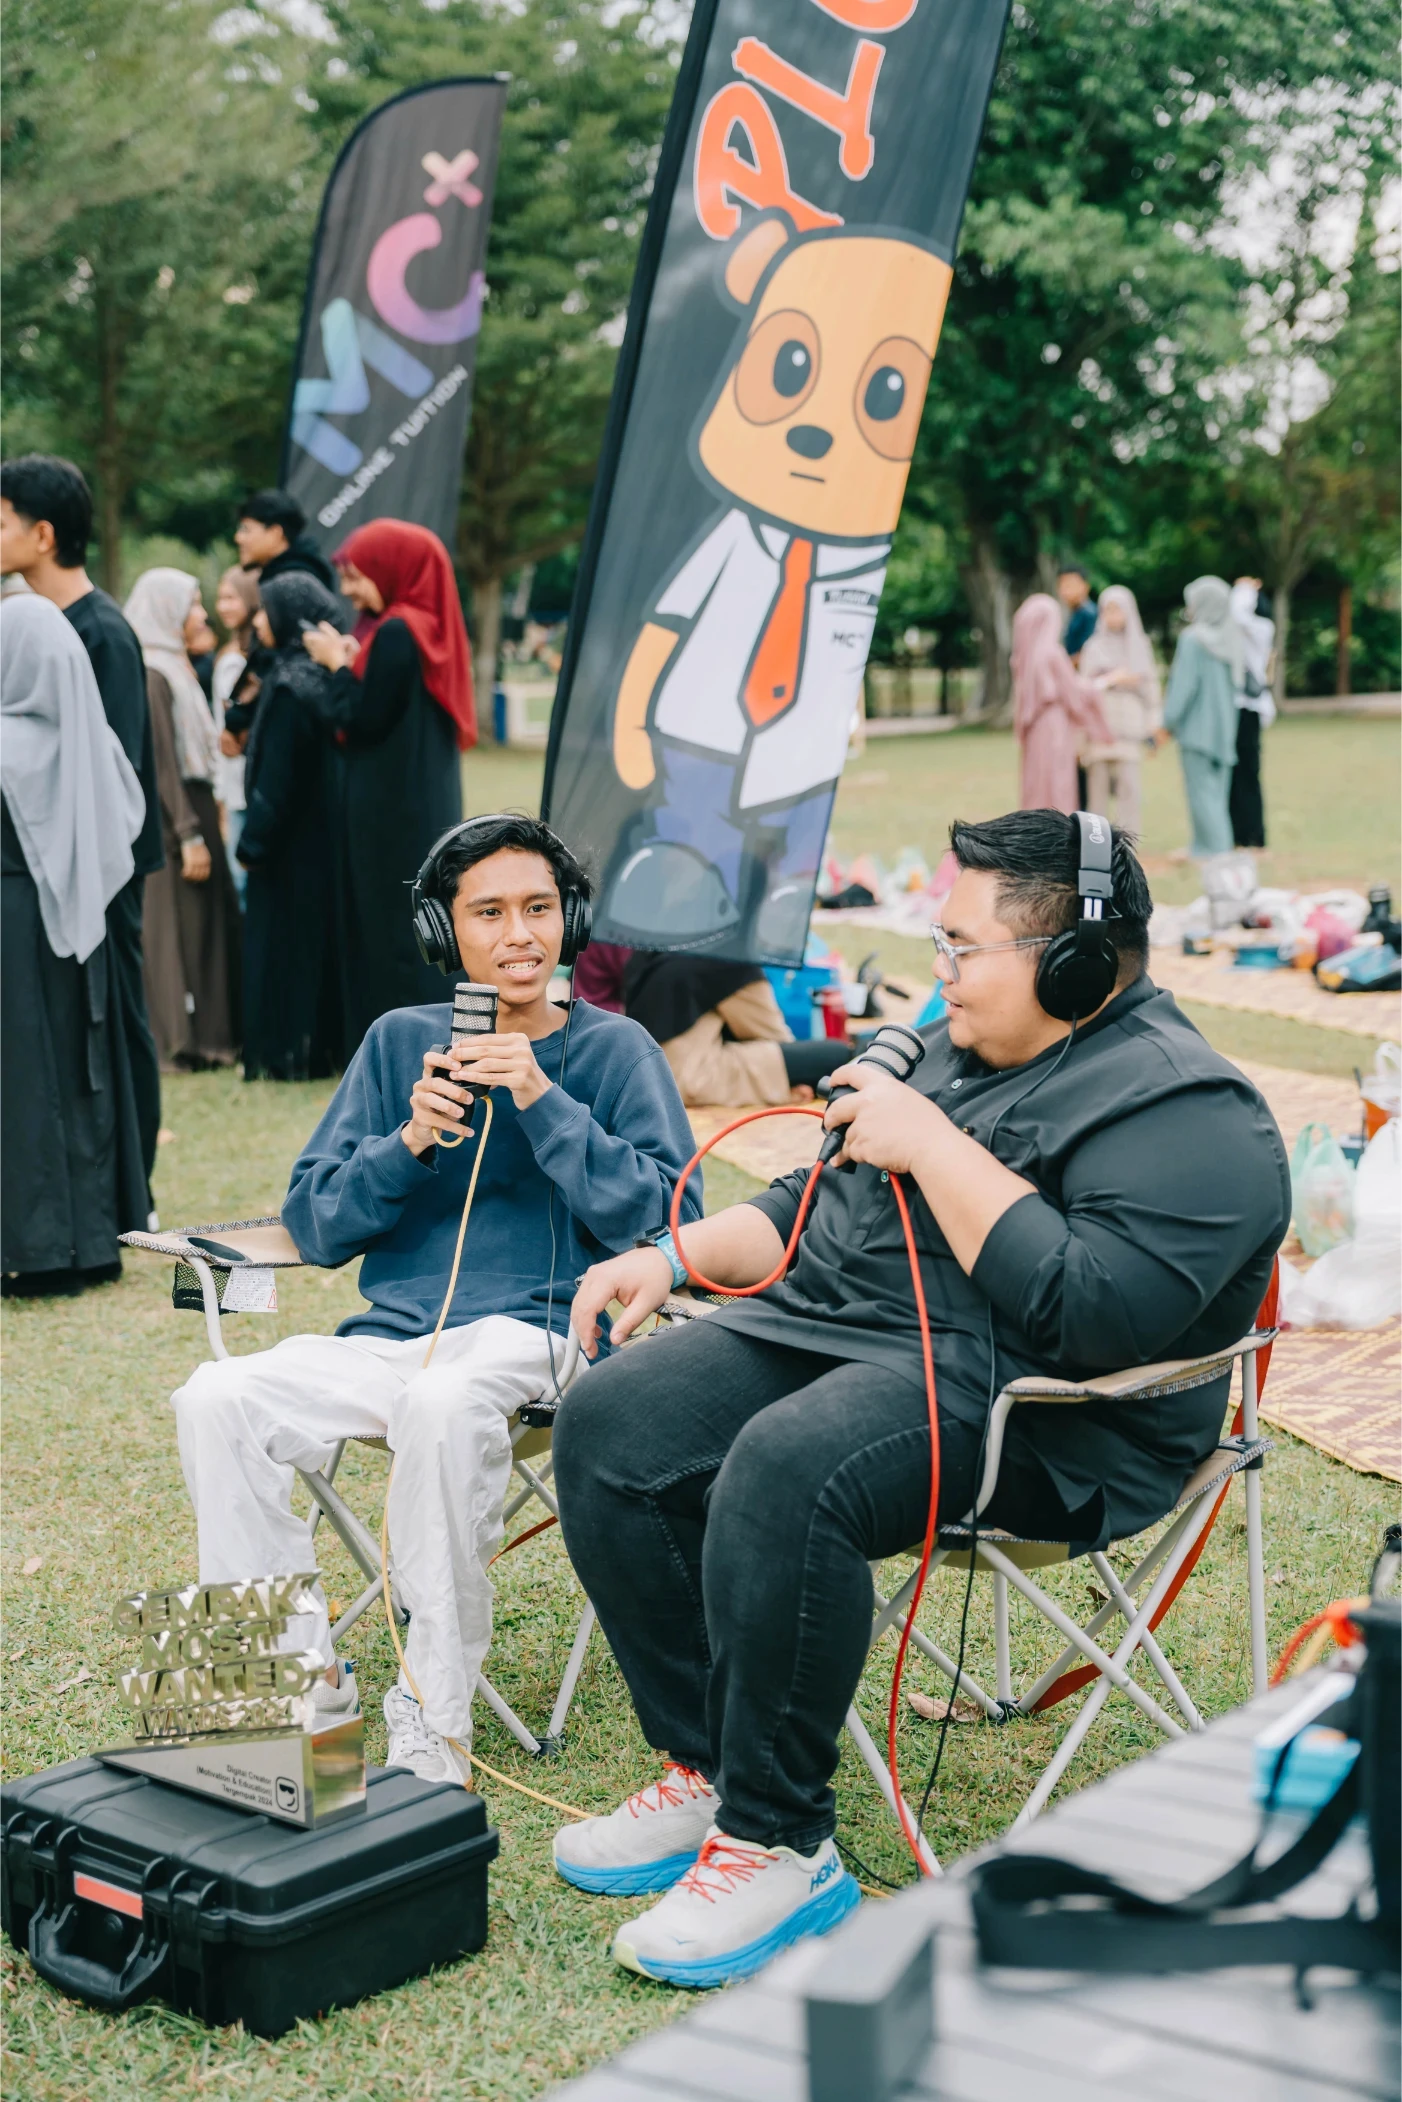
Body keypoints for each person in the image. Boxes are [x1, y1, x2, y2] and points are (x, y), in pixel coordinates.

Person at [550, 809, 1290, 1988]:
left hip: (1049, 1416)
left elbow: (1089, 1318)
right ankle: (710, 1766)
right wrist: (675, 1254)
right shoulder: (950, 1046)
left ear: (1072, 963)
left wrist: (934, 1144)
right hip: (850, 1336)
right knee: (612, 1422)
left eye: (961, 948)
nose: (936, 972)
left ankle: (778, 1842)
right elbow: (812, 1202)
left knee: (789, 1463)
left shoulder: (1192, 1111)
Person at [171, 814, 700, 1783]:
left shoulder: (617, 1051)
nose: (519, 934)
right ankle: (281, 1700)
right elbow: (316, 1223)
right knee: (216, 1394)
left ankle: (432, 1711)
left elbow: (676, 1225)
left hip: (540, 1336)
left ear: (571, 918)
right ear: (442, 929)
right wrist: (408, 1140)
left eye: (538, 908)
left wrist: (544, 1101)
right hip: (392, 1341)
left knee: (443, 1399)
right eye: (488, 912)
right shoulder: (397, 1043)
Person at [0, 455, 164, 1217]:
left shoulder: (102, 634)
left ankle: (133, 1193)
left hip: (106, 864)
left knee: (118, 1021)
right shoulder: (40, 626)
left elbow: (113, 775)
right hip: (49, 864)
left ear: (42, 535)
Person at [2, 597, 148, 1292]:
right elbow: (124, 830)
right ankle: (94, 1239)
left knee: (24, 1081)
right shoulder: (92, 739)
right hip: (82, 927)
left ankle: (34, 1249)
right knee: (84, 1077)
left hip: (11, 928)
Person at [301, 519, 471, 1058]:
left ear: (392, 569)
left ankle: (396, 1047)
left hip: (387, 812)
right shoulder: (422, 629)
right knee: (420, 928)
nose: (348, 589)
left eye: (357, 575)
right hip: (416, 805)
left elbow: (362, 719)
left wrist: (336, 667)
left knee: (391, 931)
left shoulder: (398, 631)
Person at [125, 568, 241, 1067]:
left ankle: (211, 1038)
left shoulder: (177, 667)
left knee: (204, 927)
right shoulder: (154, 672)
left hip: (194, 804)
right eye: (193, 604)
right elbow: (161, 763)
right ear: (166, 609)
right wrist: (188, 833)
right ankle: (180, 1044)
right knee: (175, 930)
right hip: (175, 815)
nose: (202, 614)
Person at [238, 573, 343, 1082]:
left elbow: (276, 780)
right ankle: (315, 1050)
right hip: (321, 841)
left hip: (287, 848)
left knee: (280, 951)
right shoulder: (320, 677)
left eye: (266, 611)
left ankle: (284, 1054)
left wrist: (252, 843)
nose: (258, 622)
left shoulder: (289, 688)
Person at [624, 952, 848, 1106]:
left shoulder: (648, 954)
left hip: (648, 1076)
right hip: (694, 1081)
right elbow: (771, 1032)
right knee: (836, 1056)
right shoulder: (727, 959)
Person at [1162, 576, 1243, 860]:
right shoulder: (1233, 638)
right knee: (1216, 794)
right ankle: (1203, 847)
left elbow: (1183, 688)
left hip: (1197, 729)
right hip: (1225, 727)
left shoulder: (1193, 639)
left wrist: (1167, 721)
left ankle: (1217, 853)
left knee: (1201, 794)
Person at [1011, 594, 1110, 815]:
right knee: (1058, 784)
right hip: (1056, 727)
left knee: (1036, 784)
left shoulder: (1022, 659)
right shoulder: (1053, 654)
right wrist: (1100, 684)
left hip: (1034, 729)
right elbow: (1073, 695)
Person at [1078, 584, 1162, 831]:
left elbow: (1151, 690)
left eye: (1117, 610)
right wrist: (1111, 680)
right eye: (1107, 610)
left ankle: (1127, 846)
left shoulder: (1140, 646)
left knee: (1129, 792)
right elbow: (1083, 690)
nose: (1112, 616)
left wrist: (1153, 726)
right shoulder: (1093, 647)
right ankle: (1096, 846)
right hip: (1100, 730)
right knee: (1098, 797)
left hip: (1130, 728)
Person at [212, 566, 259, 896]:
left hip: (244, 781)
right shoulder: (233, 657)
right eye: (220, 598)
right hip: (235, 779)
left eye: (232, 598)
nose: (223, 607)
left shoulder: (244, 659)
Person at [1229, 577, 1275, 850]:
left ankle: (1254, 835)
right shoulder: (1241, 629)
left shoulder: (1261, 627)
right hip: (1235, 707)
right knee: (1233, 773)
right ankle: (1237, 834)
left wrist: (1245, 587)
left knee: (1248, 772)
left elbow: (1237, 613)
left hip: (1250, 708)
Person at [233, 489, 337, 594]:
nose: (238, 538)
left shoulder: (294, 584)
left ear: (275, 533)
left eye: (246, 530)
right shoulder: (293, 575)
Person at [1056, 563, 1097, 662]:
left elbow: (1087, 653)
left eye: (1070, 585)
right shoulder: (1073, 612)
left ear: (1086, 586)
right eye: (1062, 585)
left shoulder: (1089, 614)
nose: (1065, 590)